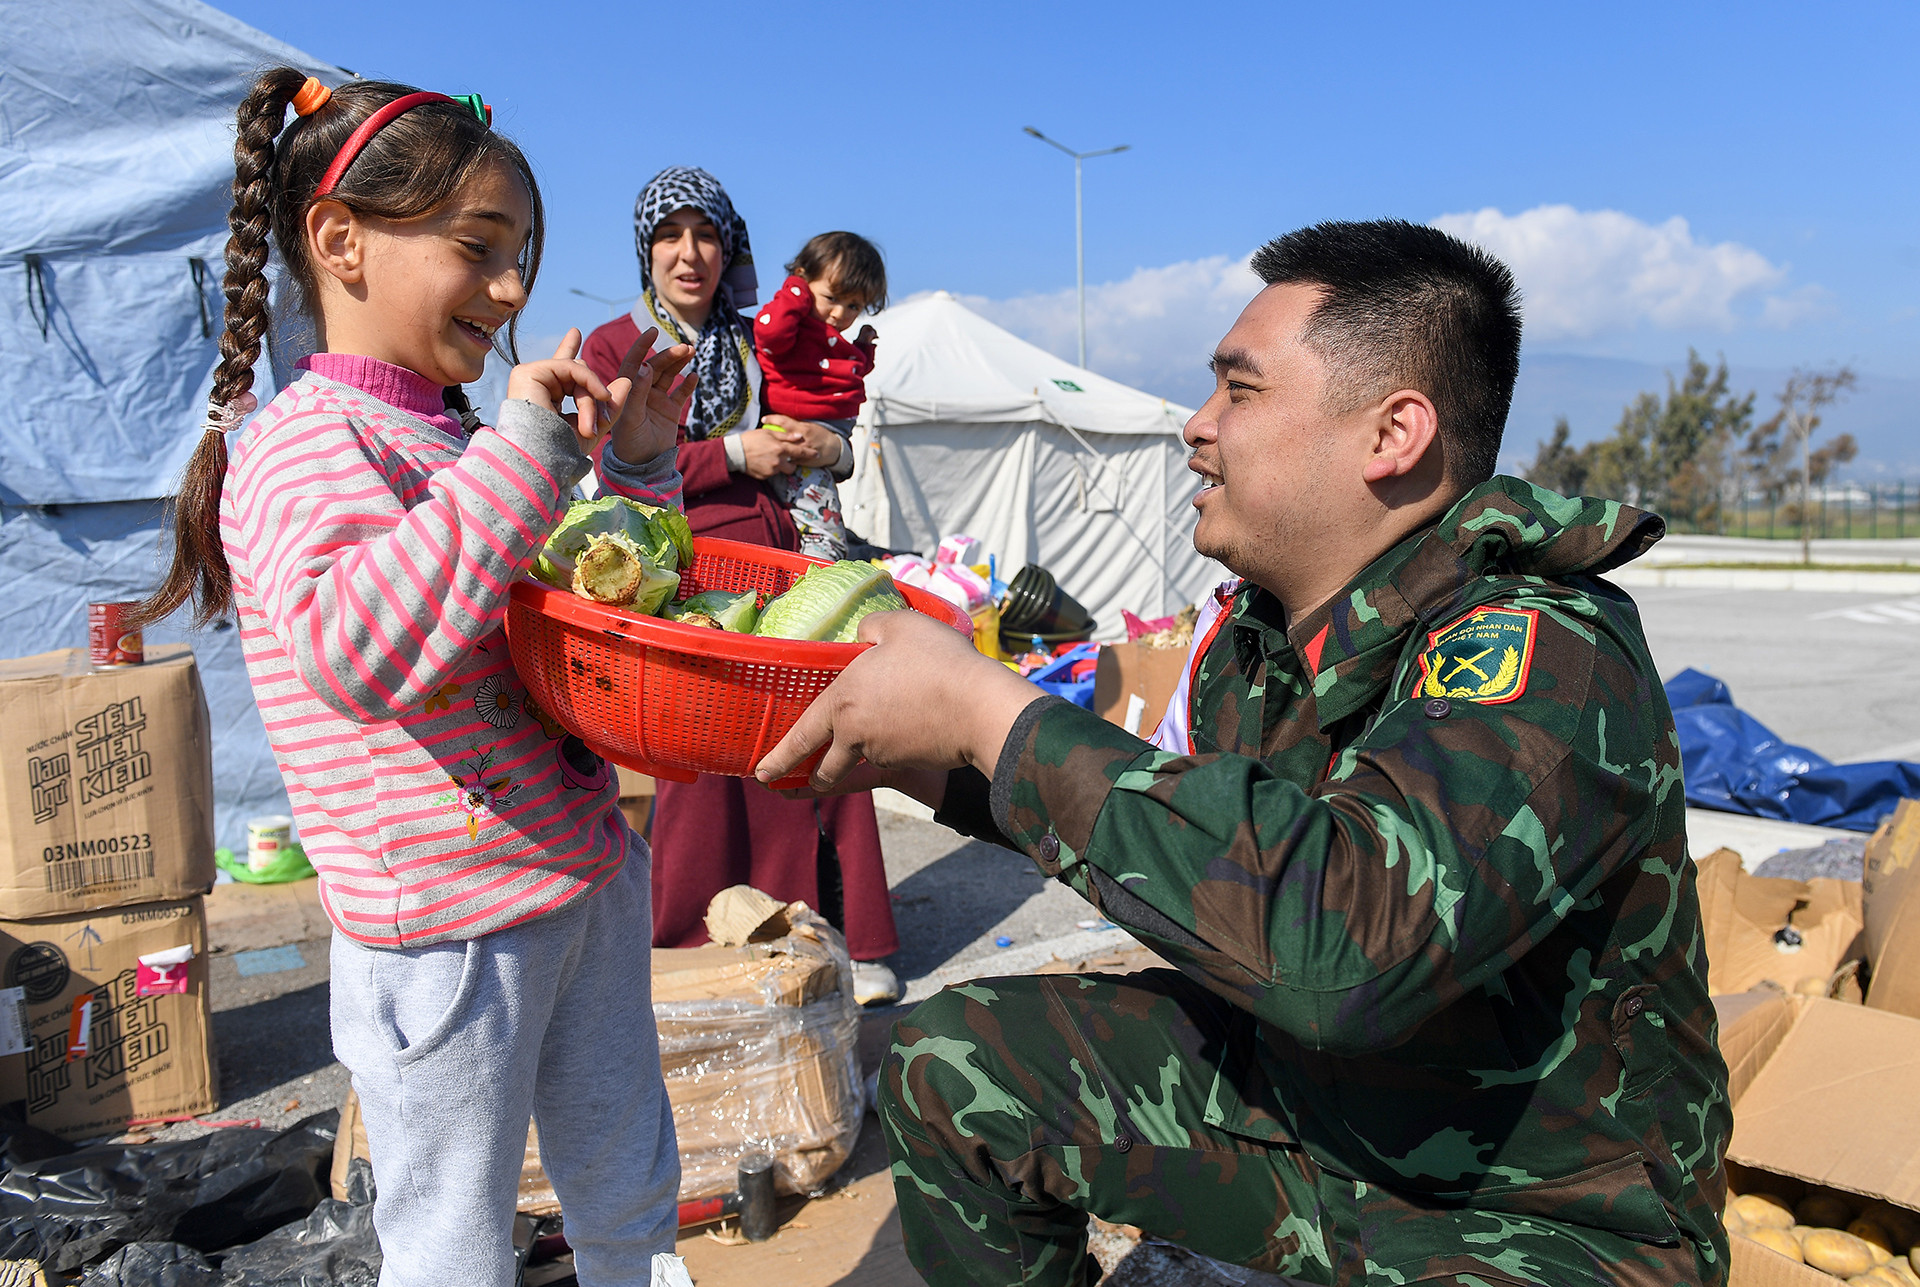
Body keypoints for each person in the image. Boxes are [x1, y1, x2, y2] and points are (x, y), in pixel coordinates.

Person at [757, 220, 1733, 1285]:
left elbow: (1342, 947)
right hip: (1316, 1124)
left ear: (1392, 434)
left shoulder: (1539, 650)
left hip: (1534, 1213)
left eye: (1241, 390)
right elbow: (1200, 842)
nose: (1196, 425)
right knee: (956, 1065)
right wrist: (935, 760)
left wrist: (991, 710)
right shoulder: (1262, 643)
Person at [133, 71, 696, 1287]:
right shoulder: (299, 448)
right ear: (340, 243)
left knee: (627, 1185)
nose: (509, 290)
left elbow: (572, 604)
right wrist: (525, 448)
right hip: (447, 937)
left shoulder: (450, 437)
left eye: (520, 257)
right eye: (478, 248)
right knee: (452, 1239)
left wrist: (639, 473)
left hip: (580, 873)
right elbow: (361, 651)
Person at [581, 168, 901, 1003]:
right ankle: (696, 936)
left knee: (833, 730)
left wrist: (826, 448)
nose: (690, 255)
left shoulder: (762, 335)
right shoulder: (615, 345)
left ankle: (848, 936)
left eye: (708, 236)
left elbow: (834, 422)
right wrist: (734, 454)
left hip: (784, 555)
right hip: (677, 568)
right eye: (671, 236)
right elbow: (610, 466)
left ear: (730, 248)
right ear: (645, 248)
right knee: (708, 756)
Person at [752, 231, 887, 560]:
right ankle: (820, 571)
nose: (840, 313)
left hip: (829, 433)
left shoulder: (826, 335)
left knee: (816, 510)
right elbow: (768, 330)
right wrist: (795, 289)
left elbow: (847, 370)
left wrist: (863, 347)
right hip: (800, 429)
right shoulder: (793, 328)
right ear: (802, 280)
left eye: (853, 305)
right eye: (832, 297)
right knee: (823, 526)